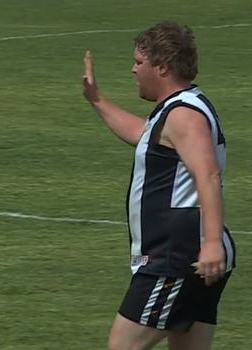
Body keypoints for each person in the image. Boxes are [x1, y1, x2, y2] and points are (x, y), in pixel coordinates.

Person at [82, 21, 236, 350]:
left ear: (162, 67)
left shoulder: (184, 116)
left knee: (123, 346)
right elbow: (143, 136)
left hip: (177, 256)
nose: (133, 69)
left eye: (139, 62)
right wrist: (96, 100)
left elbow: (207, 174)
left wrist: (210, 243)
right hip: (185, 253)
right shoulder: (180, 107)